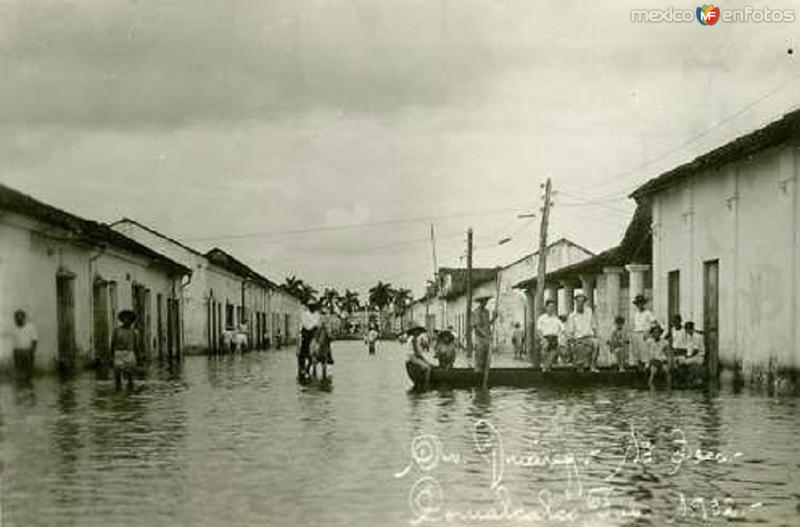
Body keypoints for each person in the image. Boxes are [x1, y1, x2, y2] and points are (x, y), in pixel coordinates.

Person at [566, 293, 599, 372]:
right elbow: (570, 331)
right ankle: (580, 367)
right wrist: (573, 339)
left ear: (584, 302)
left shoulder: (589, 311)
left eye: (582, 301)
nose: (580, 303)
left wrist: (595, 335)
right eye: (578, 301)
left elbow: (593, 325)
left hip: (589, 337)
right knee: (579, 347)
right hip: (578, 338)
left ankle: (593, 366)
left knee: (596, 344)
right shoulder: (572, 316)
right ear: (576, 302)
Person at [111, 310, 140, 390]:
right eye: (125, 318)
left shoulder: (134, 332)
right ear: (122, 320)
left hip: (130, 353)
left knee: (130, 374)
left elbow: (136, 345)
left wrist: (138, 357)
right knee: (117, 374)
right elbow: (113, 343)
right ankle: (118, 390)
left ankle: (130, 391)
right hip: (119, 353)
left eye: (129, 319)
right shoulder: (117, 331)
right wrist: (111, 356)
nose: (127, 320)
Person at [473, 296, 497, 374]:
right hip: (479, 338)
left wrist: (493, 318)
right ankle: (478, 375)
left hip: (486, 338)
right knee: (480, 358)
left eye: (486, 301)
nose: (485, 303)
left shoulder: (486, 312)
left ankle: (486, 374)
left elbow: (487, 325)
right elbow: (477, 326)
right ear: (480, 302)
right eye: (484, 301)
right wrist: (484, 335)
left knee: (487, 359)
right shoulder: (477, 312)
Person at [631, 294, 656, 370]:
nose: (639, 305)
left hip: (644, 334)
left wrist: (648, 331)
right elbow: (634, 325)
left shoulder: (648, 313)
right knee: (637, 353)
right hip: (636, 333)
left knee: (645, 353)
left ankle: (646, 369)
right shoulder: (636, 314)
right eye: (638, 303)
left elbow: (654, 323)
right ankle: (639, 369)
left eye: (641, 303)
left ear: (643, 303)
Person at [537, 300, 563, 372]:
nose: (551, 308)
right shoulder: (541, 318)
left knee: (552, 355)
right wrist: (542, 339)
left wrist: (561, 337)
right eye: (549, 306)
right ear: (546, 307)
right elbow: (539, 330)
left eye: (552, 307)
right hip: (545, 337)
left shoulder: (556, 318)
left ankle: (547, 367)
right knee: (544, 351)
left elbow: (562, 329)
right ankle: (545, 367)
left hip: (554, 338)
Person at [645, 321, 671, 388]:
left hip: (662, 360)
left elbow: (668, 354)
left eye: (658, 332)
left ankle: (669, 386)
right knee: (653, 371)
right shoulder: (649, 342)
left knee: (666, 370)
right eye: (655, 332)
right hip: (654, 361)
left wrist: (669, 362)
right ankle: (650, 385)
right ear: (652, 333)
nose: (657, 334)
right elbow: (648, 353)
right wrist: (647, 363)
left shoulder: (664, 342)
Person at [12, 310, 38, 376]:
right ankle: (20, 384)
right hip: (18, 352)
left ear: (24, 318)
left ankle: (28, 383)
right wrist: (15, 351)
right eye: (16, 319)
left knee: (28, 371)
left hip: (27, 352)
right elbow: (15, 341)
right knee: (19, 371)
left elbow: (34, 340)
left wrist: (32, 351)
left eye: (20, 318)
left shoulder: (31, 327)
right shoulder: (15, 329)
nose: (18, 320)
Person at [298, 302, 320, 381]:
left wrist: (316, 326)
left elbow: (317, 322)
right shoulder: (305, 314)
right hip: (307, 331)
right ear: (309, 307)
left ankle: (326, 355)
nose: (313, 308)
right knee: (305, 343)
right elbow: (305, 323)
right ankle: (302, 364)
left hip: (314, 330)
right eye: (311, 307)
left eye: (314, 307)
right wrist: (311, 326)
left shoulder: (317, 314)